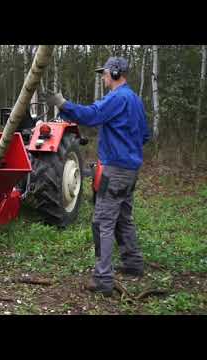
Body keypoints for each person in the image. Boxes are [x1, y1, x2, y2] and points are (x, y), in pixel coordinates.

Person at [46, 57, 151, 296]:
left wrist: (62, 103)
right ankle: (134, 263)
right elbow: (145, 135)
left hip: (114, 170)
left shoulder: (118, 98)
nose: (103, 77)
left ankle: (103, 279)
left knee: (102, 222)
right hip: (131, 170)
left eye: (104, 74)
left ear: (115, 73)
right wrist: (127, 147)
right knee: (124, 217)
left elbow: (91, 115)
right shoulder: (135, 99)